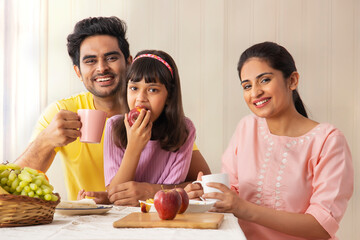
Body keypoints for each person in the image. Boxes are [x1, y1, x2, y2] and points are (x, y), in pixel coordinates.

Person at [15, 16, 210, 203]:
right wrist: (45, 141)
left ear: (129, 62)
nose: (101, 68)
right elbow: (11, 182)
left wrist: (152, 191)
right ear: (77, 71)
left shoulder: (157, 117)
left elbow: (204, 182)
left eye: (111, 58)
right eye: (90, 60)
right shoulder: (62, 112)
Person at [185, 42, 353, 239]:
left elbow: (322, 226)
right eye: (247, 86)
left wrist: (243, 208)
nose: (255, 93)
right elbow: (232, 194)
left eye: (264, 80)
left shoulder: (328, 141)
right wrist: (205, 195)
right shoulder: (247, 128)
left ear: (292, 80)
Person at [99, 50, 196, 205]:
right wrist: (134, 147)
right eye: (134, 88)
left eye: (152, 90)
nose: (140, 98)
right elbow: (116, 195)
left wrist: (149, 191)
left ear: (169, 96)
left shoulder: (184, 130)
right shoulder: (113, 126)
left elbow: (172, 194)